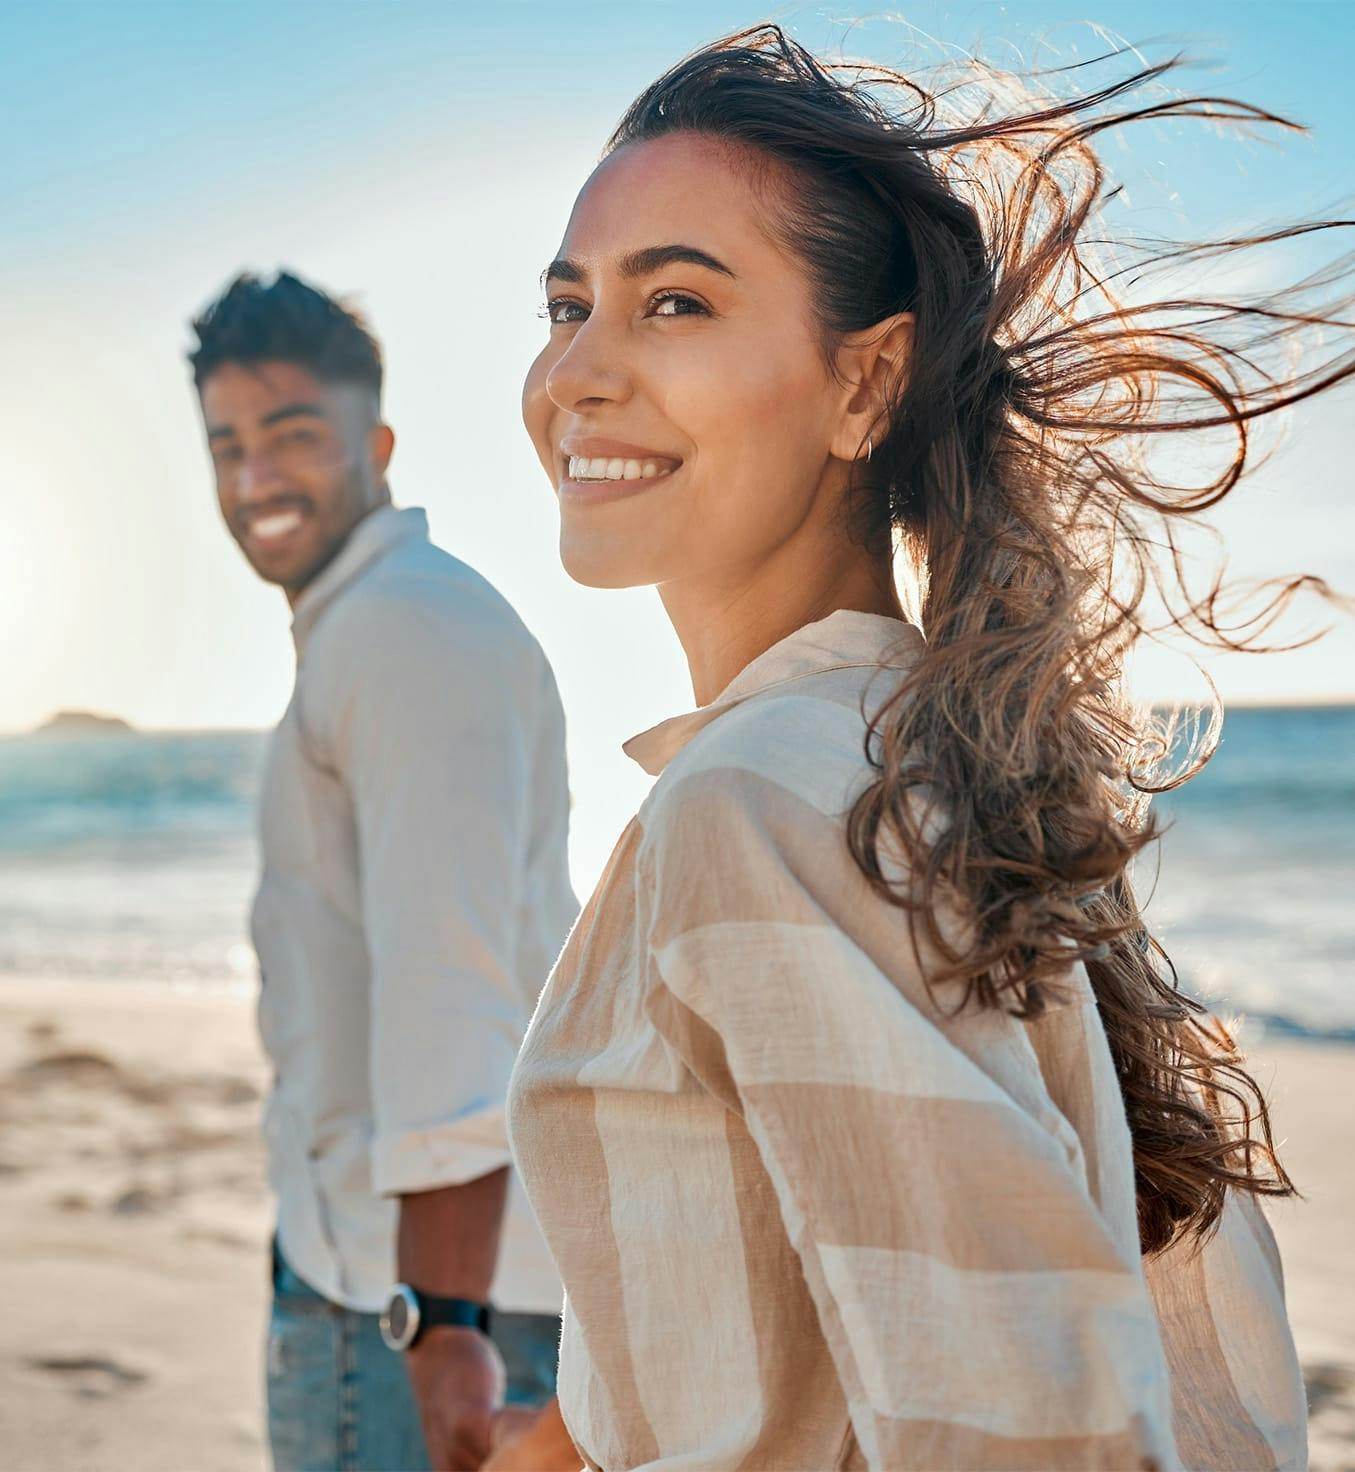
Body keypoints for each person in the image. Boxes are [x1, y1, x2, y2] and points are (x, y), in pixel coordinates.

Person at [492, 25, 1355, 1472]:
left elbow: (1024, 1426)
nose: (575, 371)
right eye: (566, 304)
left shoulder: (766, 802)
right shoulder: (913, 755)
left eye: (677, 303)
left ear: (863, 385)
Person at [188, 271, 576, 1472]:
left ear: (379, 442)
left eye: (293, 435)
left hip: (412, 1304)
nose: (255, 479)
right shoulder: (373, 628)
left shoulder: (403, 630)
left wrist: (440, 1322)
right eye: (227, 444)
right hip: (374, 1271)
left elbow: (447, 990)